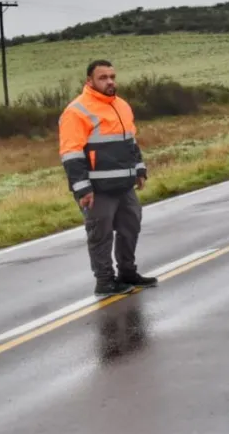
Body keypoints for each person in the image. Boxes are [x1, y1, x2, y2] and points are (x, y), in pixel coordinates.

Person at [58, 59, 158, 297]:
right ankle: (104, 282)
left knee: (130, 227)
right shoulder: (76, 111)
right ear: (89, 81)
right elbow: (71, 153)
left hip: (124, 185)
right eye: (103, 78)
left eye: (112, 77)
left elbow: (130, 141)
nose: (110, 81)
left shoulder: (121, 105)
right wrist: (83, 189)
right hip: (97, 189)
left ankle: (127, 273)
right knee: (100, 235)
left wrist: (139, 170)